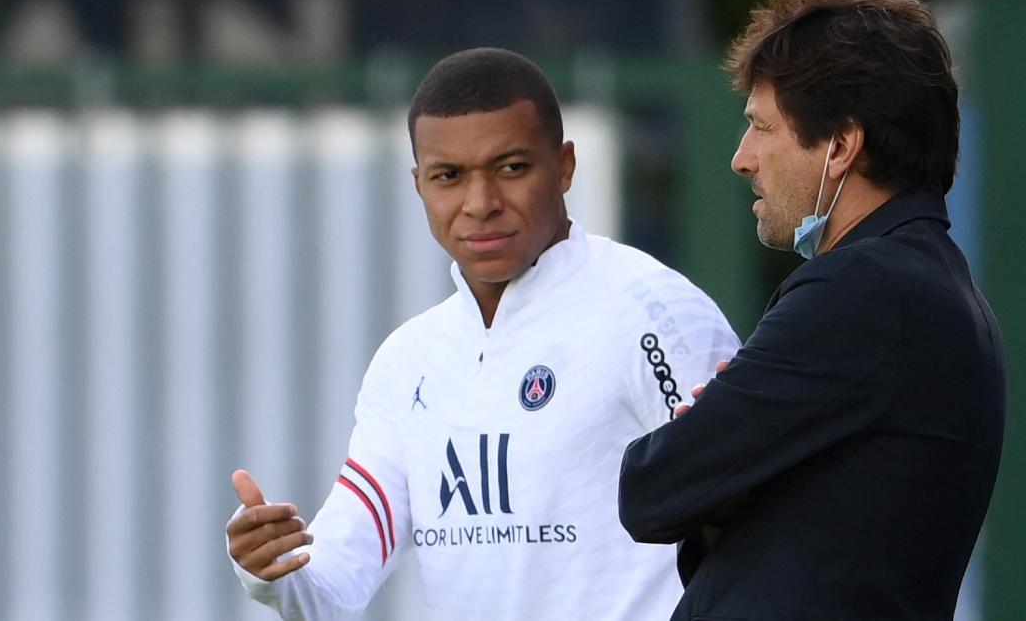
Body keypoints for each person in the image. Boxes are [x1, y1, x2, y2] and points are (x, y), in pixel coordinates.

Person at [225, 47, 740, 620]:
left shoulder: (657, 312)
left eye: (511, 167)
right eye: (449, 176)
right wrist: (271, 571)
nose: (481, 203)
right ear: (419, 184)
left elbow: (754, 525)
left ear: (565, 165)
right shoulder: (410, 360)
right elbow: (333, 587)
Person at [618, 0, 1007, 620]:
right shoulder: (930, 287)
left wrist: (723, 474)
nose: (742, 158)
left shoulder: (863, 290)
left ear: (841, 145)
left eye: (762, 127)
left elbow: (653, 485)